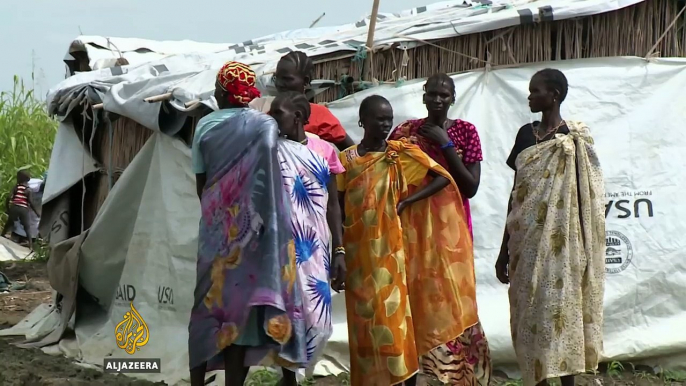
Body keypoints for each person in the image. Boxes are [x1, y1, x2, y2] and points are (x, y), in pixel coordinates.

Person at [337, 95, 479, 386]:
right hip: (357, 254)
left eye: (389, 118)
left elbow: (441, 175)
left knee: (396, 321)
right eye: (380, 118)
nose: (387, 123)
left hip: (392, 254)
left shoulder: (399, 153)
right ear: (363, 120)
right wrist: (338, 247)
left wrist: (407, 202)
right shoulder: (347, 159)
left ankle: (405, 379)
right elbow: (337, 205)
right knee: (364, 322)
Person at [188, 61, 307, 386]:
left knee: (207, 305)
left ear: (224, 93)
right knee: (240, 306)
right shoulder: (264, 126)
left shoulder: (204, 127)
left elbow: (202, 184)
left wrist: (218, 214)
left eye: (216, 89)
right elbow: (268, 185)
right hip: (255, 234)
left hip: (215, 231)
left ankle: (197, 379)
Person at [494, 69, 606, 386]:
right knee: (529, 312)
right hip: (524, 244)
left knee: (562, 311)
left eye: (535, 91)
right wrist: (503, 250)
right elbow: (516, 194)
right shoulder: (525, 136)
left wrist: (586, 246)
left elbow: (589, 196)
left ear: (553, 95)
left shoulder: (575, 138)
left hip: (564, 245)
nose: (530, 97)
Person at [389, 73, 491, 385]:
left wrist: (445, 143)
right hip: (411, 229)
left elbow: (470, 186)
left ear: (452, 99)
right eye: (432, 93)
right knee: (414, 298)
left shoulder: (465, 132)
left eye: (443, 95)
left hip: (452, 234)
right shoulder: (406, 132)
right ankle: (412, 373)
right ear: (423, 96)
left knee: (451, 299)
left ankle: (452, 376)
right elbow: (389, 173)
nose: (437, 99)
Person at [269, 91, 347, 385]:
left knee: (319, 320)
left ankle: (296, 373)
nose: (272, 119)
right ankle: (289, 377)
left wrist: (339, 250)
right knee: (288, 313)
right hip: (280, 244)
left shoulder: (325, 151)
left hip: (316, 246)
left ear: (298, 118)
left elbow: (334, 204)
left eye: (278, 113)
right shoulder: (269, 149)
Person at [250, 51, 355, 151]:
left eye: (287, 79)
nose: (279, 84)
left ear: (305, 80)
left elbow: (350, 151)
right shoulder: (272, 113)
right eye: (276, 78)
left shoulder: (320, 115)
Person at [2, 170, 39, 250]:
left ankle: (2, 235)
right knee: (27, 227)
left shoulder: (16, 187)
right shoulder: (28, 190)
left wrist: (8, 209)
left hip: (14, 207)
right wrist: (37, 213)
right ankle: (31, 246)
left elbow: (8, 197)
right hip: (23, 209)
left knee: (9, 223)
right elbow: (31, 203)